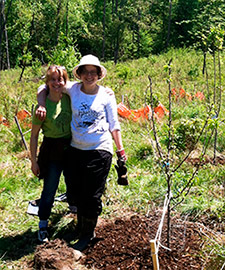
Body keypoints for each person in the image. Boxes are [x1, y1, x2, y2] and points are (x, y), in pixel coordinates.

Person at [37, 55, 127, 251]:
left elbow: (114, 124)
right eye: (85, 71)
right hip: (76, 150)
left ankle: (88, 234)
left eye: (93, 72)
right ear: (79, 74)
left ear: (98, 74)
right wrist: (42, 104)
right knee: (77, 192)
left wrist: (121, 150)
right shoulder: (74, 89)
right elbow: (45, 87)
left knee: (91, 195)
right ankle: (80, 228)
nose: (89, 75)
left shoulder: (106, 95)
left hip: (99, 149)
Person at [30, 65, 74, 243]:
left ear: (65, 81)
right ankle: (43, 225)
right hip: (51, 150)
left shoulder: (70, 98)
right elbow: (33, 136)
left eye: (60, 79)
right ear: (48, 82)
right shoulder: (43, 107)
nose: (57, 83)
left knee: (75, 183)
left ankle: (75, 214)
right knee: (49, 188)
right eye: (53, 79)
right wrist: (33, 161)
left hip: (71, 148)